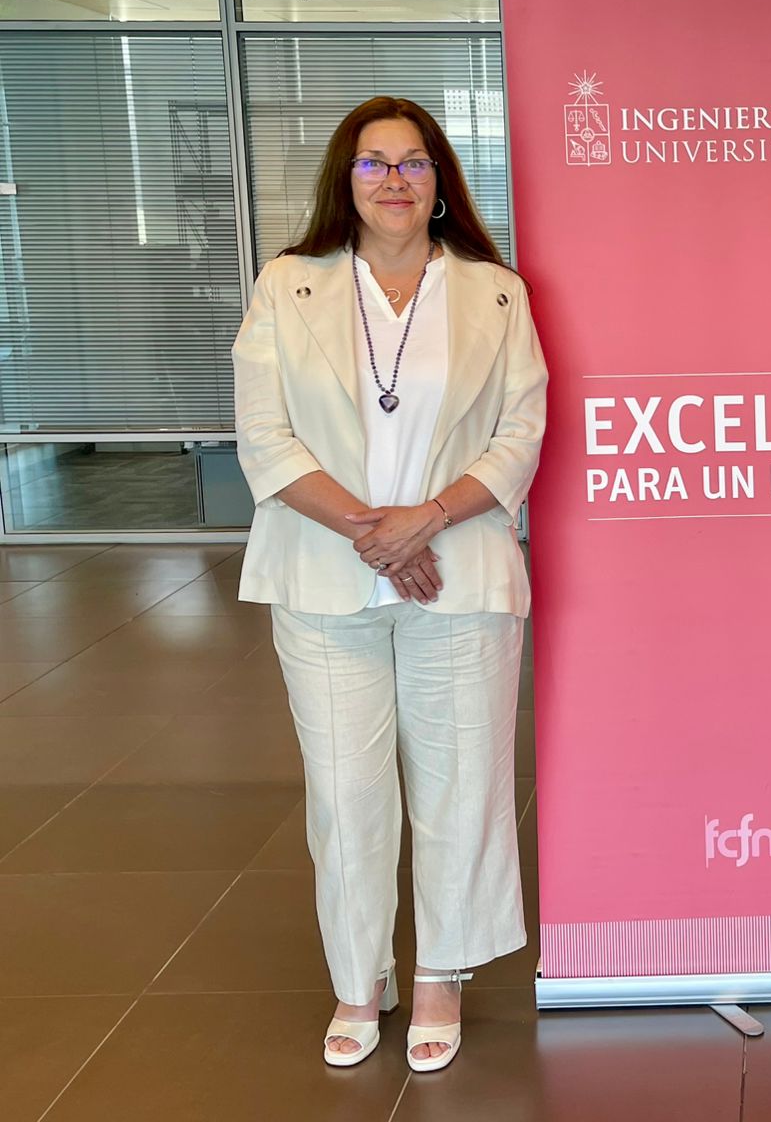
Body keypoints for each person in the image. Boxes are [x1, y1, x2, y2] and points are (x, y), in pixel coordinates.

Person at [232, 96, 547, 1072]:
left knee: (461, 785)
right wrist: (375, 533)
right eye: (374, 163)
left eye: (414, 162)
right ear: (347, 178)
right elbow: (264, 437)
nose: (395, 180)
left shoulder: (495, 292)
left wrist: (429, 518)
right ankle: (358, 980)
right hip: (324, 578)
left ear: (440, 181)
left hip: (460, 572)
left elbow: (521, 434)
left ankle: (443, 972)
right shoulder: (289, 284)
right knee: (344, 794)